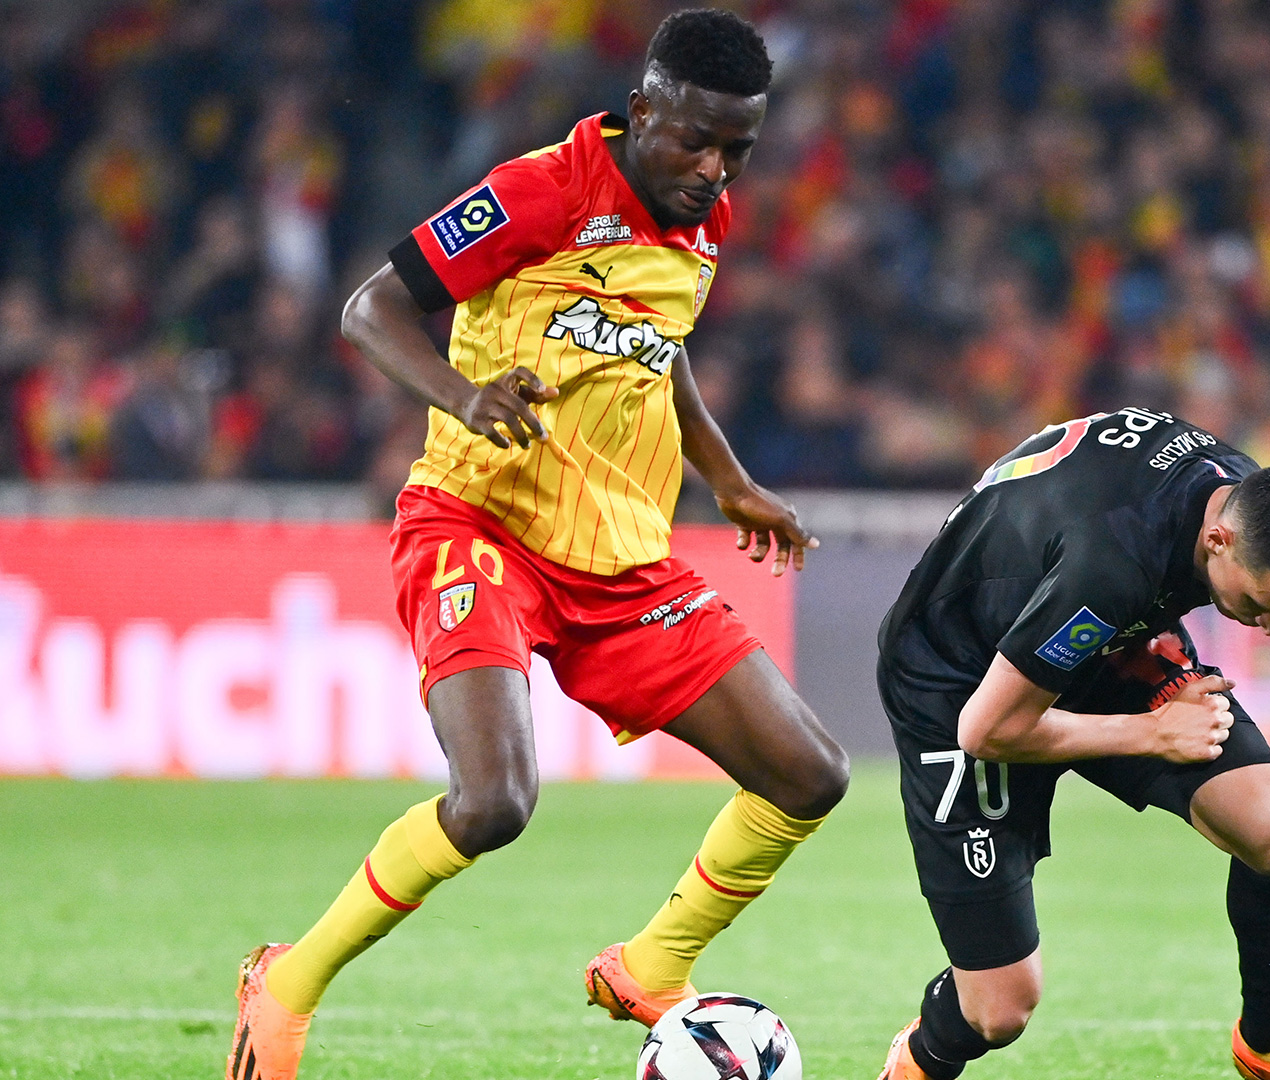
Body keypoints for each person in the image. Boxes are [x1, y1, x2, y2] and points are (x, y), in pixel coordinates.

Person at [225, 12, 850, 1079]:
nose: (712, 171)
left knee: (810, 773)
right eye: (695, 141)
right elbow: (371, 309)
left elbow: (662, 350)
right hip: (477, 523)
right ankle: (287, 982)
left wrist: (730, 478)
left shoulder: (702, 220)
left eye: (736, 151)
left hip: (617, 557)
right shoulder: (539, 191)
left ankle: (653, 965)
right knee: (494, 802)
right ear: (642, 109)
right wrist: (464, 397)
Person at [874, 408, 1270, 1080]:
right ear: (1219, 539)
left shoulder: (1250, 498)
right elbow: (989, 728)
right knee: (999, 1009)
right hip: (960, 682)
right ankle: (914, 1062)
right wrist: (1152, 732)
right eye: (1260, 604)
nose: (1264, 629)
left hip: (1106, 642)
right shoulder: (1112, 561)